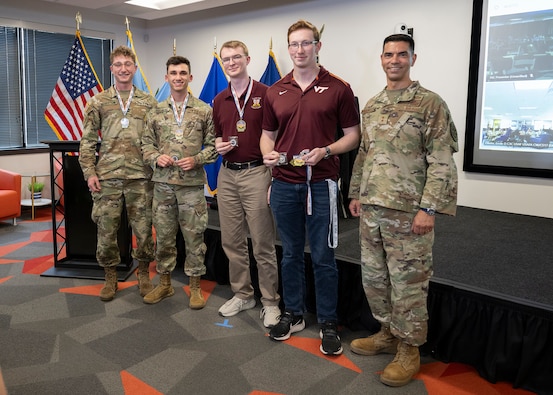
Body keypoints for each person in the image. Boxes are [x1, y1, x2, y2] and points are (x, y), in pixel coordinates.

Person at [348, 34, 458, 387]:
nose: (394, 60)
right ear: (381, 59)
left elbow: (441, 161)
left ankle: (409, 349)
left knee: (409, 284)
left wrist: (430, 208)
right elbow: (364, 153)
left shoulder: (430, 104)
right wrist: (355, 193)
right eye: (388, 54)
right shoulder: (373, 103)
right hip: (372, 210)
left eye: (401, 54)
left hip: (409, 214)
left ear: (413, 58)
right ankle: (387, 333)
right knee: (376, 279)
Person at [260, 20, 360, 355]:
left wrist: (327, 150)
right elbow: (267, 136)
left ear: (318, 46)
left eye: (306, 43)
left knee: (322, 255)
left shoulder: (338, 88)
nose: (300, 50)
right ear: (288, 49)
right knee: (289, 254)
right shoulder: (276, 90)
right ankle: (294, 313)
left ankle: (329, 321)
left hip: (321, 184)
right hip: (285, 184)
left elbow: (353, 135)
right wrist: (267, 154)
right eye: (294, 44)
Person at [79, 45, 157, 302]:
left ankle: (143, 274)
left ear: (134, 68)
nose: (123, 69)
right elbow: (88, 141)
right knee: (106, 230)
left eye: (128, 64)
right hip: (107, 177)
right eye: (118, 65)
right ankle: (110, 277)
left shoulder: (149, 102)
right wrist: (89, 171)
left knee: (144, 230)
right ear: (111, 69)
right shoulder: (98, 102)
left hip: (141, 177)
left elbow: (158, 140)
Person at [213, 40, 281, 327]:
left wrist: (273, 178)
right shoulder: (219, 100)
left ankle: (270, 301)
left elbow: (278, 136)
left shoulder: (267, 94)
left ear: (247, 59)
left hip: (257, 173)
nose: (231, 63)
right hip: (227, 174)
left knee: (262, 242)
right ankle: (243, 294)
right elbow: (217, 135)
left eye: (236, 57)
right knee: (231, 240)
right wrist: (218, 145)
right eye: (226, 59)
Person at [141, 56, 217, 309]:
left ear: (190, 77)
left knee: (194, 237)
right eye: (173, 73)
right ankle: (165, 284)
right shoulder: (155, 112)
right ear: (166, 78)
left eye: (183, 73)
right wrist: (155, 157)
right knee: (163, 237)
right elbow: (146, 145)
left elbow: (214, 146)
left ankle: (195, 287)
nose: (178, 77)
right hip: (162, 186)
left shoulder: (204, 110)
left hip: (191, 187)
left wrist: (197, 159)